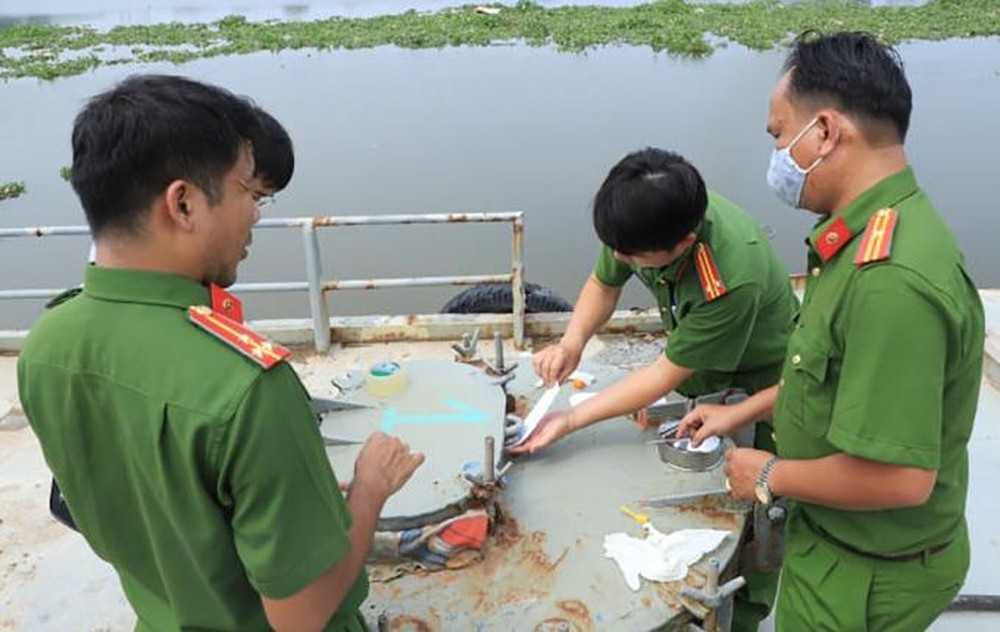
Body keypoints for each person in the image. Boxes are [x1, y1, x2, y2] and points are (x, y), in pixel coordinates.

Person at [18, 74, 424, 631]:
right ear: (183, 203)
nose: (255, 214)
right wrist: (372, 490)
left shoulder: (46, 344)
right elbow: (299, 617)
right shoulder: (246, 387)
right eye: (244, 192)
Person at [679, 31, 984, 631]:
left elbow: (902, 478)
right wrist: (742, 413)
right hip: (840, 540)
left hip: (863, 571)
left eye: (777, 135)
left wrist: (767, 472)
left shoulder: (888, 280)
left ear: (823, 132)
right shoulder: (868, 235)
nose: (776, 156)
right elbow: (829, 375)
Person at [512, 147, 798, 631]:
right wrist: (572, 342)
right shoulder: (640, 217)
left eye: (631, 255)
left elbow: (666, 374)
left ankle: (741, 613)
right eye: (618, 248)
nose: (621, 257)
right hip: (697, 359)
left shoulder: (729, 276)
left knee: (756, 507)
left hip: (764, 380)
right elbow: (604, 283)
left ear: (684, 243)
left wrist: (571, 419)